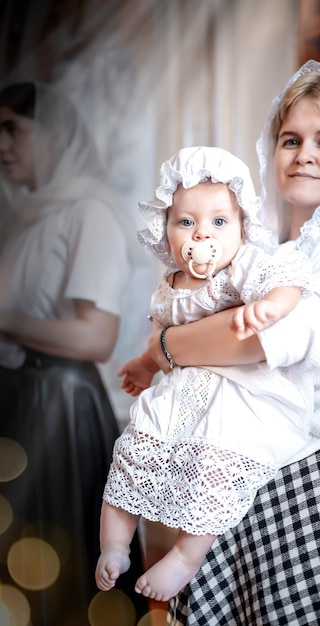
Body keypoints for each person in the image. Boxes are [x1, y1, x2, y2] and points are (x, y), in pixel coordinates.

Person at [144, 62, 320, 624]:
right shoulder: (259, 254)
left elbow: (277, 338)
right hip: (231, 483)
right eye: (290, 139)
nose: (305, 154)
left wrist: (164, 346)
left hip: (319, 487)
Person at [95, 145, 320, 602]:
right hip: (180, 393)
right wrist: (143, 365)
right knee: (133, 449)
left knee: (215, 464)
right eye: (186, 222)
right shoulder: (168, 286)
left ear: (243, 227)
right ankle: (115, 545)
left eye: (219, 222)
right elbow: (159, 335)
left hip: (236, 395)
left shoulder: (243, 266)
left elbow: (286, 281)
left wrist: (270, 306)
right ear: (166, 231)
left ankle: (185, 555)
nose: (202, 235)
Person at [0, 83, 147, 625]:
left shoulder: (89, 213)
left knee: (60, 567)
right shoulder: (27, 219)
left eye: (14, 128)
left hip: (60, 407)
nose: (1, 143)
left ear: (57, 135)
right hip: (19, 402)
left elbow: (95, 338)